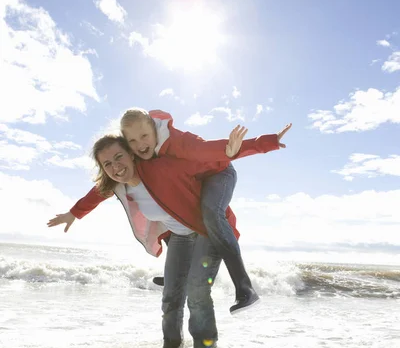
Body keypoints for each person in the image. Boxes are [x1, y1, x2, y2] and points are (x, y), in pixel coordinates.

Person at [48, 109, 292, 314]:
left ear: (155, 130)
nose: (140, 144)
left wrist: (264, 143)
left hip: (218, 172)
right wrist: (74, 213)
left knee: (210, 213)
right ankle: (177, 276)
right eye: (132, 141)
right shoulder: (140, 159)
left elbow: (208, 150)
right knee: (170, 218)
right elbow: (102, 188)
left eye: (144, 136)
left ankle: (245, 288)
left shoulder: (177, 143)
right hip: (193, 181)